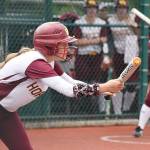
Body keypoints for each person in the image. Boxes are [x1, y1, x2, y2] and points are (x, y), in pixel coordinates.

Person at [0, 21, 124, 149]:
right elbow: (70, 90)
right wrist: (104, 87)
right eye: (62, 43)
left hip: (6, 114)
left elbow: (71, 82)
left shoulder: (49, 62)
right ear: (48, 45)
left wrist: (102, 89)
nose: (67, 47)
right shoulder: (36, 63)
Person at [73, 0, 110, 113]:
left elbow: (104, 39)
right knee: (83, 82)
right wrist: (96, 40)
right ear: (85, 9)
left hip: (97, 56)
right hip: (83, 56)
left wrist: (87, 40)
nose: (91, 10)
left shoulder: (101, 23)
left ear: (96, 9)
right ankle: (83, 109)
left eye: (94, 8)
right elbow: (77, 42)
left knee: (97, 82)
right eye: (89, 8)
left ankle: (98, 110)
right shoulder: (79, 22)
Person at [108, 0, 140, 115]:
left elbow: (140, 34)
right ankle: (117, 112)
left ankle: (126, 109)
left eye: (124, 8)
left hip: (131, 53)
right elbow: (108, 38)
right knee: (117, 83)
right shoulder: (111, 20)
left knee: (132, 84)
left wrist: (132, 24)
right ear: (116, 9)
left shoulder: (132, 18)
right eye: (119, 8)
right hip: (117, 54)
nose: (121, 10)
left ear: (127, 9)